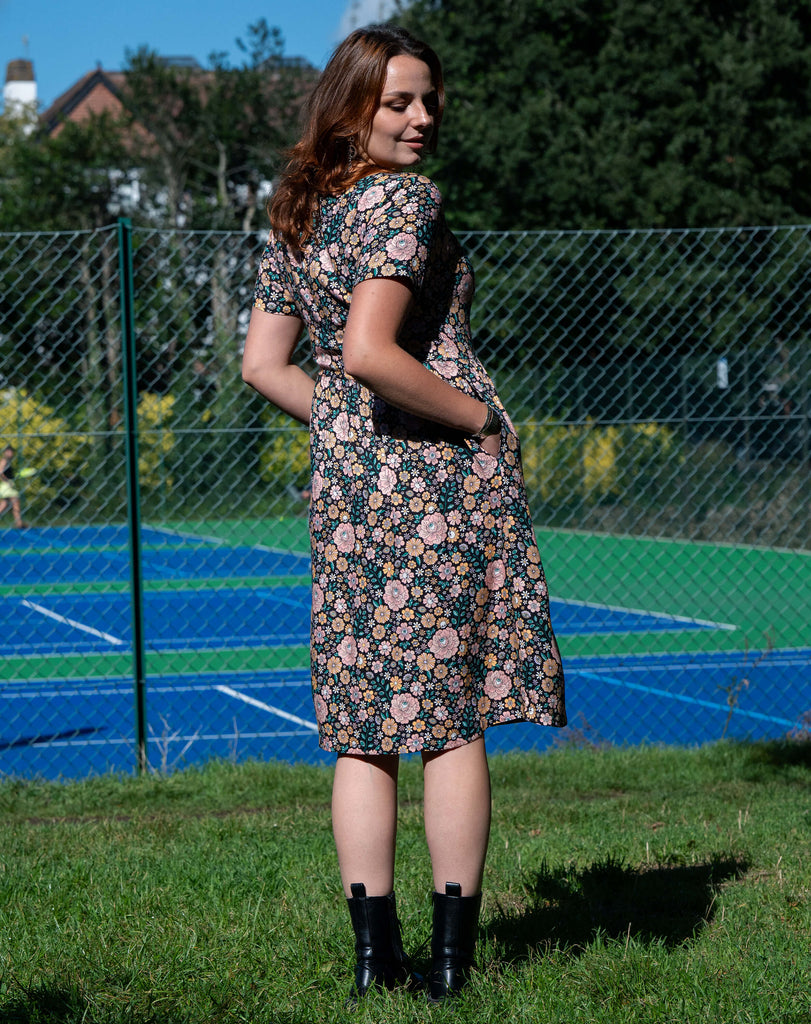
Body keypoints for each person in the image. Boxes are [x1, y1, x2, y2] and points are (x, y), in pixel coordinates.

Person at [242, 24, 566, 1002]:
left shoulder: (301, 209)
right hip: (435, 481)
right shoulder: (402, 200)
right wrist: (481, 420)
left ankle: (376, 959)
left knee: (363, 726)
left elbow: (264, 366)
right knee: (454, 720)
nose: (422, 119)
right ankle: (453, 965)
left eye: (429, 100)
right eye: (398, 102)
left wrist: (347, 430)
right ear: (352, 107)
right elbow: (376, 353)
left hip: (349, 493)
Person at [0, 445, 25, 529]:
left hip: (8, 485)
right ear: (5, 452)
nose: (10, 453)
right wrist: (7, 481)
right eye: (8, 451)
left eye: (11, 452)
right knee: (15, 502)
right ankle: (19, 523)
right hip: (6, 486)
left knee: (4, 505)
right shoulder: (4, 461)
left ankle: (19, 523)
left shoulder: (8, 461)